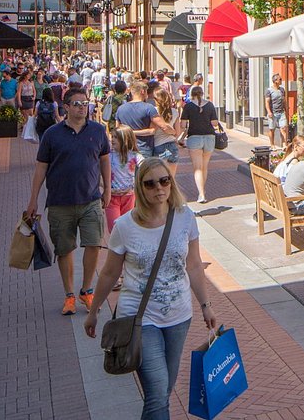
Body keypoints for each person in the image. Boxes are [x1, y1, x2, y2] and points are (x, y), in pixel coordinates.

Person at [84, 159, 218, 420]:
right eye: (150, 183)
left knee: (163, 392)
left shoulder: (185, 217)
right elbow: (110, 272)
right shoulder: (125, 226)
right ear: (140, 187)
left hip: (179, 316)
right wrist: (94, 310)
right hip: (139, 318)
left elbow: (193, 265)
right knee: (157, 394)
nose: (159, 188)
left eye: (164, 180)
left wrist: (206, 305)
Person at [25, 86, 112, 317]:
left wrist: (108, 189)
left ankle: (86, 290)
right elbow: (41, 167)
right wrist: (33, 200)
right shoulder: (53, 134)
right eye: (77, 104)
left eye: (85, 104)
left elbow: (104, 160)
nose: (82, 107)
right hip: (59, 202)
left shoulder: (97, 131)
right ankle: (69, 295)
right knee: (64, 250)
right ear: (65, 107)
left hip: (91, 199)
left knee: (94, 244)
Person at [181, 85, 223, 204]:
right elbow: (215, 123)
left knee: (197, 168)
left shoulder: (188, 106)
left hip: (194, 138)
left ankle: (201, 194)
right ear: (202, 93)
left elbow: (183, 125)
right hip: (209, 138)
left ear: (192, 94)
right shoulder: (209, 105)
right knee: (204, 167)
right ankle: (202, 190)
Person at [116, 80, 173, 160]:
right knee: (144, 171)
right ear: (143, 91)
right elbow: (160, 127)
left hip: (126, 148)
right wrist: (174, 133)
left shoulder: (120, 109)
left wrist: (128, 132)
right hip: (144, 148)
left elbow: (117, 129)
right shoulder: (149, 108)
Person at [106, 125, 142, 230]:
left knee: (127, 227)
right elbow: (97, 173)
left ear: (125, 139)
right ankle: (115, 246)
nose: (112, 140)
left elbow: (146, 166)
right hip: (112, 197)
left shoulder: (134, 155)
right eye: (112, 137)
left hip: (129, 196)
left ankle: (125, 246)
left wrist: (135, 185)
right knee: (114, 228)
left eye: (116, 137)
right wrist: (107, 188)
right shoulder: (108, 155)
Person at [151, 87, 181, 175]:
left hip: (158, 145)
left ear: (156, 99)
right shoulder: (174, 112)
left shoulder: (153, 111)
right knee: (171, 176)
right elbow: (178, 132)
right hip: (172, 145)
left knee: (160, 177)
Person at [264, 72, 288, 148]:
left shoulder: (282, 90)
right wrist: (269, 112)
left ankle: (285, 144)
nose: (281, 81)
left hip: (281, 112)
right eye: (280, 79)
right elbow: (267, 102)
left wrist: (286, 108)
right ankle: (272, 144)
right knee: (272, 129)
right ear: (275, 81)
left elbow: (283, 100)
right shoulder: (269, 90)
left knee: (283, 128)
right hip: (273, 113)